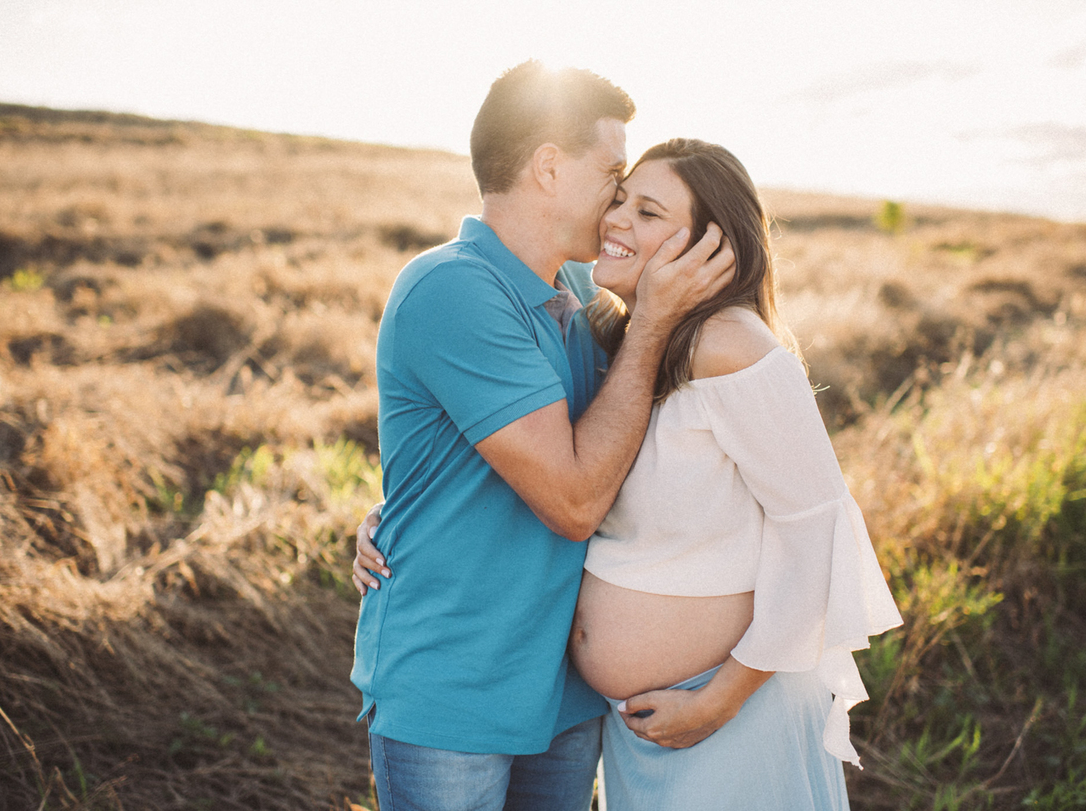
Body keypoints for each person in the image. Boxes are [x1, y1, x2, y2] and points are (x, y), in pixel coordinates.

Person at [356, 139, 903, 810]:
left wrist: (721, 698)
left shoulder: (731, 345)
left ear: (710, 248)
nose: (617, 218)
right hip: (629, 724)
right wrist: (400, 514)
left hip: (722, 712)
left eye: (645, 209)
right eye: (618, 196)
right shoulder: (610, 327)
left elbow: (819, 526)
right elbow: (535, 448)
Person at [350, 62, 736, 811]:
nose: (621, 202)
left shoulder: (586, 294)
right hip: (454, 691)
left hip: (562, 690)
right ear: (550, 168)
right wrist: (652, 322)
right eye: (613, 176)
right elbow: (573, 500)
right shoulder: (451, 288)